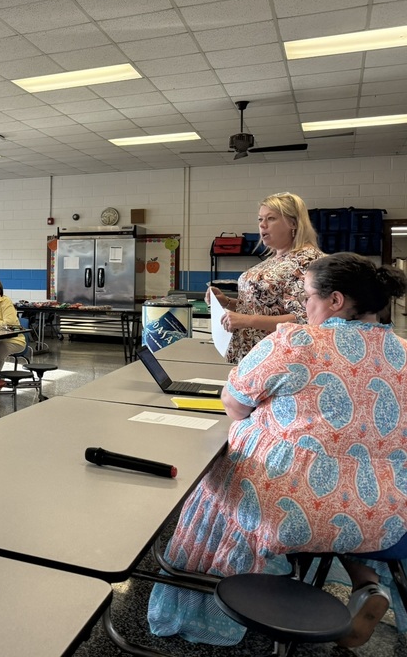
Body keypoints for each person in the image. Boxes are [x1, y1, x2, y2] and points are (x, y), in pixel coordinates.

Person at [148, 253, 407, 648]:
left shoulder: (296, 340)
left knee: (217, 486)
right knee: (357, 488)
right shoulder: (403, 350)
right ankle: (367, 585)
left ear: (335, 301)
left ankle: (203, 598)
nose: (304, 308)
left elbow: (234, 405)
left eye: (308, 298)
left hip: (290, 508)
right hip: (385, 514)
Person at [208, 192, 323, 363]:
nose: (263, 225)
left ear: (293, 223)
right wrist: (227, 302)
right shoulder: (272, 260)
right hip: (253, 358)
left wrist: (247, 321)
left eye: (271, 219)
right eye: (260, 219)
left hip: (280, 359)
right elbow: (266, 305)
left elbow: (305, 318)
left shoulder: (308, 261)